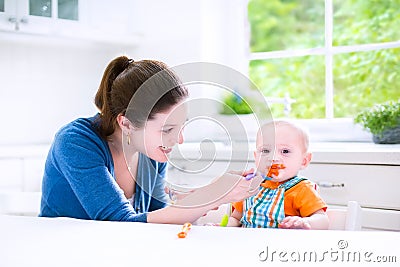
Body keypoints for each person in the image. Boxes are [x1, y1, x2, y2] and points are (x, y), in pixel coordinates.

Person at [40, 56, 262, 224]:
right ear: (126, 124)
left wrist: (208, 192)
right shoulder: (75, 142)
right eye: (167, 129)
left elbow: (157, 218)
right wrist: (210, 197)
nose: (179, 139)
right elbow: (120, 224)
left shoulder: (152, 153)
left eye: (182, 125)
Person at [227, 120, 329, 229]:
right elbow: (236, 218)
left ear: (304, 161)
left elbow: (323, 221)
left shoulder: (302, 189)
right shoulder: (249, 186)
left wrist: (305, 222)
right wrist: (222, 226)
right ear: (256, 157)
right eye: (265, 150)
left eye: (285, 151)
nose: (273, 158)